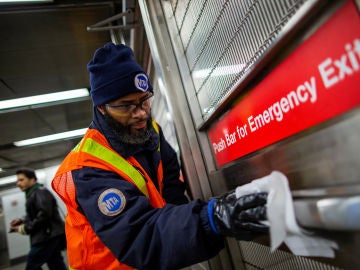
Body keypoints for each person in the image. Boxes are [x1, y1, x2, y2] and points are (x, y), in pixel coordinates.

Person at [51, 42, 268, 270]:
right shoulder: (85, 168)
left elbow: (171, 190)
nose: (141, 113)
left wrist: (195, 226)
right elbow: (137, 235)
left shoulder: (151, 132)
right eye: (126, 106)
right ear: (102, 108)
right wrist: (210, 219)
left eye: (144, 100)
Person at [10, 168, 67, 270]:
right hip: (50, 235)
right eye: (17, 181)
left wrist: (25, 228)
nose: (18, 183)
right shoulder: (33, 193)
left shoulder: (39, 192)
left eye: (21, 180)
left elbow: (44, 215)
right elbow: (39, 212)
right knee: (56, 264)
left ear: (32, 179)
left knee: (32, 267)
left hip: (46, 237)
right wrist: (23, 220)